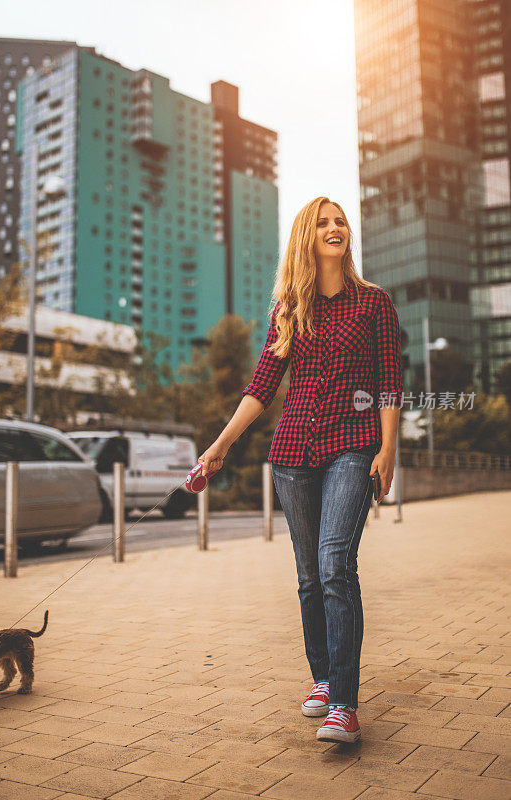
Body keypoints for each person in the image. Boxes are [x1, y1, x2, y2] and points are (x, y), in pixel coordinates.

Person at [198, 196, 403, 744]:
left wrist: (388, 450)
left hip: (354, 446)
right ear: (306, 239)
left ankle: (345, 705)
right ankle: (322, 677)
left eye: (341, 222)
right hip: (292, 455)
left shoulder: (374, 303)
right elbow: (262, 385)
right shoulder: (290, 310)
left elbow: (389, 380)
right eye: (324, 223)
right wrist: (218, 447)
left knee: (335, 561)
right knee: (310, 575)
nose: (335, 229)